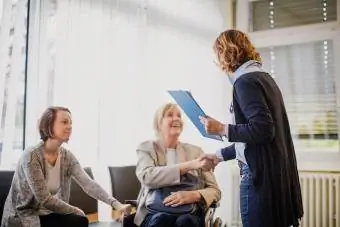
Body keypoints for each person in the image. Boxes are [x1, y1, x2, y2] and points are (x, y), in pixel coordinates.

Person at [199, 29, 304, 227]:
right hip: (275, 175)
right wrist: (219, 155)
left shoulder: (244, 82)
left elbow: (263, 129)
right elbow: (255, 139)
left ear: (226, 52)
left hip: (259, 178)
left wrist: (221, 128)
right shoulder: (264, 78)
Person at [1, 106, 131, 227]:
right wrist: (73, 209)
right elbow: (45, 199)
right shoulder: (31, 156)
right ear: (49, 125)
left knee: (80, 221)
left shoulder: (67, 157)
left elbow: (89, 184)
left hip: (46, 213)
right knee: (76, 216)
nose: (70, 126)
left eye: (71, 123)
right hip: (22, 216)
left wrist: (117, 205)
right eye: (64, 122)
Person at [134, 103, 221, 227]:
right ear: (158, 123)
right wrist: (189, 165)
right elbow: (147, 177)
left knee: (186, 221)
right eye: (170, 115)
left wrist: (195, 195)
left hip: (190, 213)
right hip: (154, 212)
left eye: (179, 116)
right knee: (160, 219)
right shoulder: (146, 148)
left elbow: (215, 191)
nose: (177, 119)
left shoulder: (196, 152)